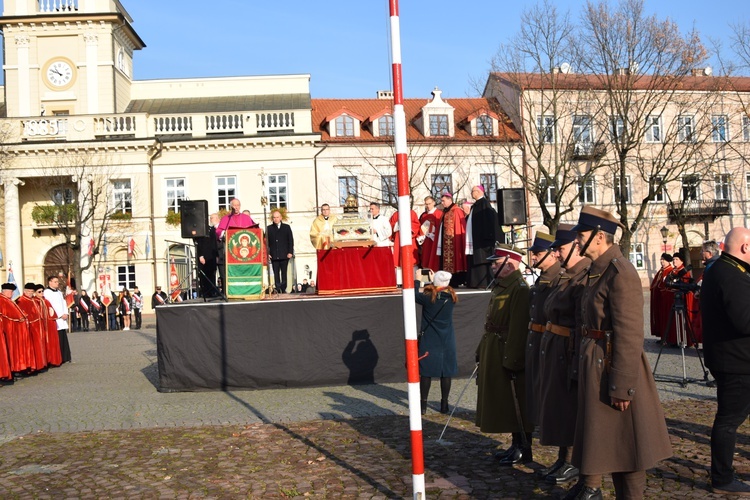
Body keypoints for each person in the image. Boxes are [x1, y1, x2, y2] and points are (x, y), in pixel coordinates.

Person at [569, 206, 671, 500]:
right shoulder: (596, 271)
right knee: (608, 446)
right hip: (596, 365)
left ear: (600, 237)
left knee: (627, 450)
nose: (577, 241)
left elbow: (629, 334)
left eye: (582, 235)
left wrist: (623, 385)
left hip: (613, 366)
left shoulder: (620, 272)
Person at [538, 224, 590, 487]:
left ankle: (572, 461)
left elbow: (582, 322)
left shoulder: (583, 277)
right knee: (558, 407)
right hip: (556, 347)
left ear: (576, 247)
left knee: (569, 409)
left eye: (560, 249)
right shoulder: (566, 276)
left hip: (568, 350)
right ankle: (563, 457)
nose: (556, 254)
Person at [700, 227, 750, 496]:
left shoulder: (722, 268)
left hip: (732, 358)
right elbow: (744, 320)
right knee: (729, 421)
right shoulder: (730, 274)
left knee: (732, 418)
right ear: (744, 247)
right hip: (737, 362)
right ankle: (722, 477)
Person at [476, 244, 532, 465]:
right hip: (495, 348)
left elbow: (519, 327)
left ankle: (524, 447)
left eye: (496, 263)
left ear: (510, 264)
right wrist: (481, 349)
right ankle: (515, 444)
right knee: (506, 403)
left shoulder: (519, 288)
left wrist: (513, 359)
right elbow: (490, 322)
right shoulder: (501, 286)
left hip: (507, 350)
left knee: (517, 402)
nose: (492, 266)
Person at [524, 231, 561, 463]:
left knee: (556, 404)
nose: (534, 257)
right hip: (538, 340)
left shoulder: (558, 277)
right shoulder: (544, 276)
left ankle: (565, 459)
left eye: (538, 253)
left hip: (549, 340)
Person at [416, 270, 458, 415]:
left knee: (426, 373)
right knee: (445, 373)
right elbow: (439, 290)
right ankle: (444, 404)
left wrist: (417, 279)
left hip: (430, 338)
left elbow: (412, 294)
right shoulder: (452, 297)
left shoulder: (427, 298)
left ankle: (423, 405)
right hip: (447, 339)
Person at [466, 185, 501, 289]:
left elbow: (488, 221)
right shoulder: (476, 205)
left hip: (482, 239)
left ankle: (483, 283)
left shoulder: (484, 204)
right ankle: (474, 282)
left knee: (482, 260)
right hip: (475, 238)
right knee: (474, 259)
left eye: (473, 191)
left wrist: (487, 236)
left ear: (479, 192)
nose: (472, 193)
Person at [216, 199, 254, 291]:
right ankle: (232, 290)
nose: (236, 207)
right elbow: (218, 231)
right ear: (231, 207)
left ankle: (247, 289)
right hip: (231, 252)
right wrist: (224, 233)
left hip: (246, 253)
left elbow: (254, 229)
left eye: (238, 205)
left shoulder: (246, 218)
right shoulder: (226, 219)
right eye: (234, 205)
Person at [665, 249, 700, 345]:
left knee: (683, 319)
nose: (674, 261)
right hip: (674, 297)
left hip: (683, 297)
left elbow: (685, 285)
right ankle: (674, 339)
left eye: (676, 259)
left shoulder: (684, 271)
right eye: (673, 259)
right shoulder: (673, 271)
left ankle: (685, 340)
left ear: (681, 261)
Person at [1, 282, 34, 375]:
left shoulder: (9, 300)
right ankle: (14, 369)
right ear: (5, 291)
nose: (12, 294)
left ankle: (20, 367)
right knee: (12, 350)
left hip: (16, 329)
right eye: (11, 292)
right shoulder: (2, 300)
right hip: (10, 329)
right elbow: (9, 314)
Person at [436, 191, 467, 287]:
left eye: (443, 200)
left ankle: (455, 280)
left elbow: (459, 227)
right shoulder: (446, 211)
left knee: (453, 260)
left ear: (450, 200)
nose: (442, 203)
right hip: (446, 241)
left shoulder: (456, 210)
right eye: (441, 201)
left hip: (453, 242)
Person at [16, 282, 47, 372]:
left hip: (38, 326)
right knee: (32, 347)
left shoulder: (33, 299)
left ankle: (40, 364)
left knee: (39, 346)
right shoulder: (21, 300)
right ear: (24, 291)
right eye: (28, 291)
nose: (30, 293)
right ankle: (33, 366)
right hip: (30, 327)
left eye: (32, 291)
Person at [44, 275, 72, 363]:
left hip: (62, 318)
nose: (57, 283)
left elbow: (64, 303)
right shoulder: (46, 293)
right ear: (50, 282)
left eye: (57, 281)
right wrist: (59, 315)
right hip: (55, 318)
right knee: (57, 339)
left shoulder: (59, 292)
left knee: (63, 338)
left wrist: (65, 313)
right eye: (55, 282)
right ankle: (58, 358)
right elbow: (50, 306)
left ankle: (66, 357)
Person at [266, 210, 294, 293]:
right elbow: (266, 242)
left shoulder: (286, 227)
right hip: (274, 255)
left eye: (277, 217)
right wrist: (268, 253)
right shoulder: (269, 228)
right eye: (274, 217)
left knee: (284, 272)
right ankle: (277, 288)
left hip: (284, 254)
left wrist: (290, 252)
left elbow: (290, 240)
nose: (276, 219)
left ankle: (284, 287)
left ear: (281, 218)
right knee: (276, 272)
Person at [35, 283, 62, 366]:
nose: (42, 293)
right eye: (39, 292)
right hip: (40, 326)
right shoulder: (35, 301)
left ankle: (53, 360)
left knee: (51, 343)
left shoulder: (46, 301)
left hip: (49, 325)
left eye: (42, 291)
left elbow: (52, 312)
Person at [649, 252, 673, 340]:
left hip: (664, 298)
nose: (661, 261)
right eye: (661, 259)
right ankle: (662, 335)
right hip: (658, 298)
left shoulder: (669, 271)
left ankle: (666, 336)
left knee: (665, 317)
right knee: (659, 317)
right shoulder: (661, 270)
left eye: (663, 260)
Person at [196, 213, 220, 298]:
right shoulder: (204, 229)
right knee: (204, 275)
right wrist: (201, 255)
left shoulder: (213, 229)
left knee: (212, 274)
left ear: (217, 219)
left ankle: (212, 291)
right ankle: (205, 292)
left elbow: (214, 244)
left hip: (212, 256)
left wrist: (217, 255)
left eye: (212, 218)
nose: (211, 219)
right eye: (210, 218)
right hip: (205, 256)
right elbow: (200, 243)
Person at [419, 196, 442, 272]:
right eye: (426, 204)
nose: (428, 206)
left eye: (429, 203)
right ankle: (426, 280)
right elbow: (420, 227)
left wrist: (434, 234)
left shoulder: (439, 213)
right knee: (425, 258)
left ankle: (435, 277)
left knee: (434, 259)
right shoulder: (423, 215)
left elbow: (440, 227)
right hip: (426, 240)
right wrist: (421, 235)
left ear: (434, 203)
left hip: (435, 240)